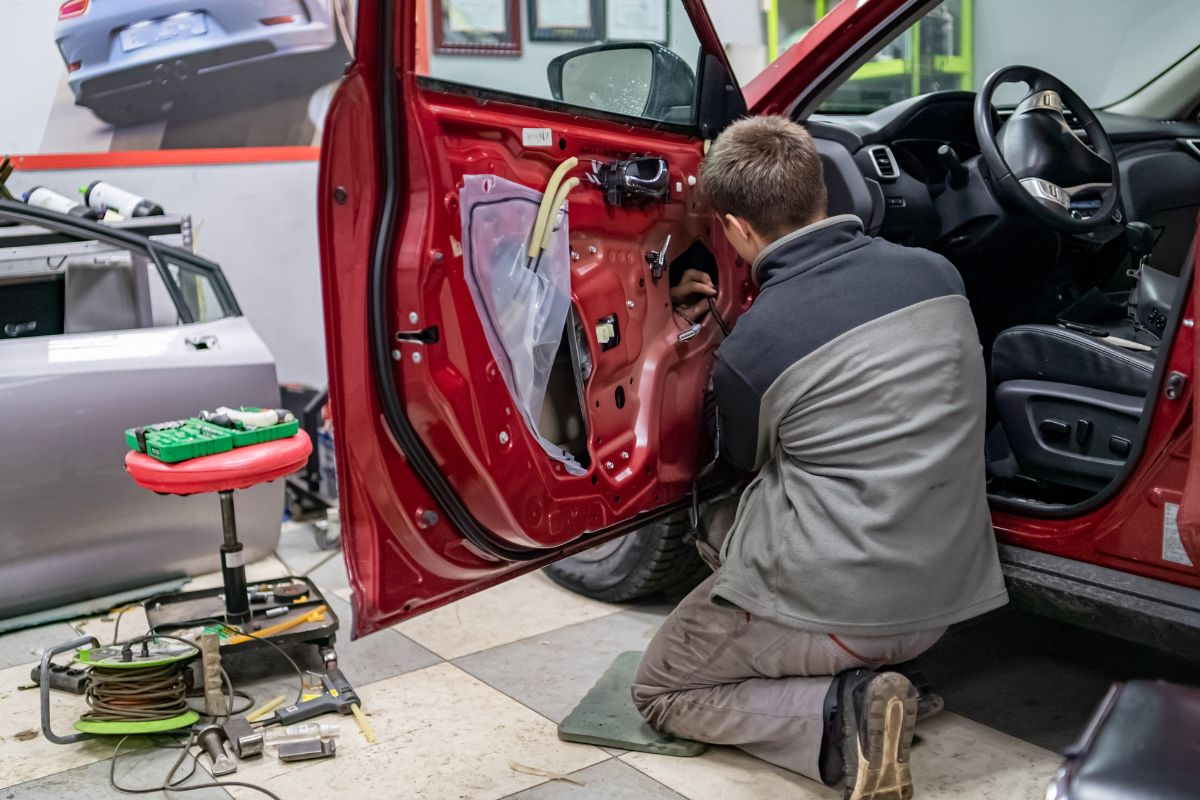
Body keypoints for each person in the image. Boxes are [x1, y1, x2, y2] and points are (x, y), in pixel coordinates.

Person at [634, 116, 1008, 800]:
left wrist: (724, 341)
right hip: (948, 599)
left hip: (847, 615)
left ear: (736, 230)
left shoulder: (755, 346)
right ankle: (877, 684)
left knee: (661, 688)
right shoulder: (939, 273)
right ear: (823, 191)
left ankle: (845, 715)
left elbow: (744, 460)